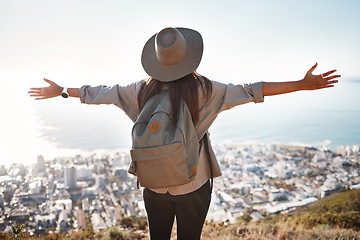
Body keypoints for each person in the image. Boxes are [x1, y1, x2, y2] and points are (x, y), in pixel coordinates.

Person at [29, 27, 340, 240]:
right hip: (193, 183)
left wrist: (62, 93)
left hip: (153, 183)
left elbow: (97, 93)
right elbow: (253, 90)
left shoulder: (139, 90)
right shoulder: (205, 90)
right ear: (189, 57)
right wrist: (301, 83)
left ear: (157, 60)